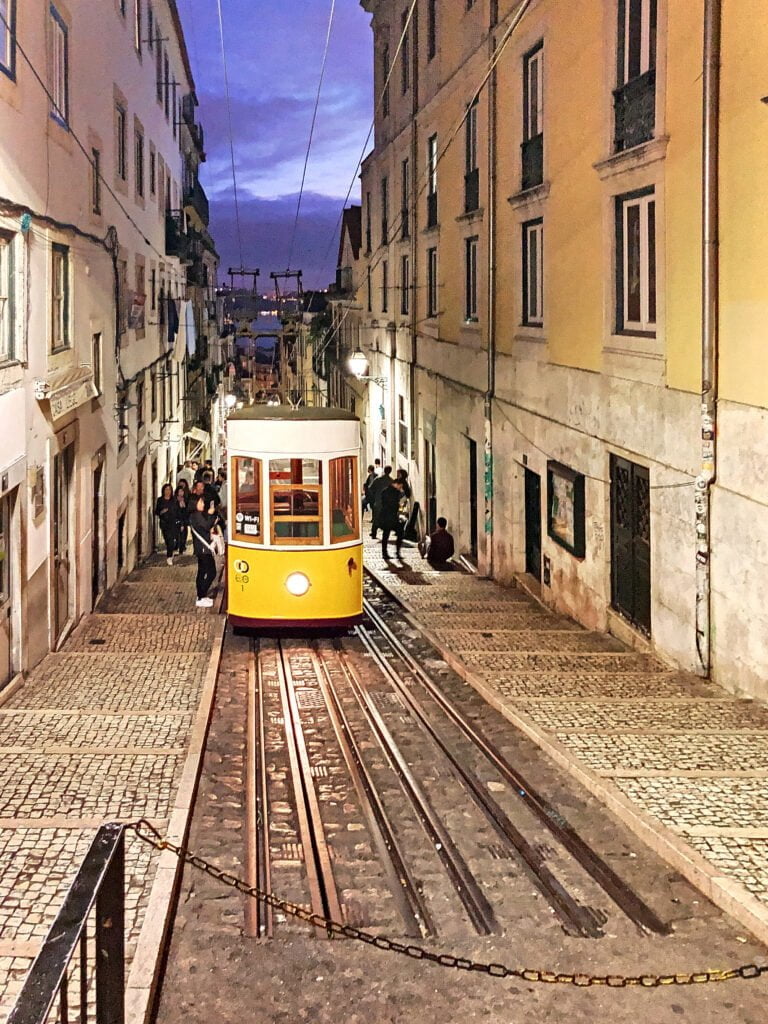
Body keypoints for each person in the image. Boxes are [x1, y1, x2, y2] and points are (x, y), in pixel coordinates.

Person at [189, 495, 219, 607]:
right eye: (200, 502)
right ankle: (201, 595)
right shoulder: (196, 516)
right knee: (211, 572)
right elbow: (206, 526)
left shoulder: (196, 515)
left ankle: (201, 596)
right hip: (203, 548)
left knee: (202, 572)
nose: (203, 504)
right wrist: (211, 515)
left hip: (201, 548)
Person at [380, 477, 406, 560]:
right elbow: (396, 504)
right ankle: (397, 552)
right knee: (399, 533)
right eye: (400, 486)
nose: (400, 488)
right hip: (392, 516)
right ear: (397, 484)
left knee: (385, 535)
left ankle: (385, 553)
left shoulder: (384, 491)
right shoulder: (396, 492)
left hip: (385, 516)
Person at [154, 484, 178, 565]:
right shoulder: (160, 500)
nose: (167, 491)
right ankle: (170, 552)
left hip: (172, 523)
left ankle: (169, 556)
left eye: (169, 490)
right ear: (163, 490)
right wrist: (162, 512)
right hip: (164, 523)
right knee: (167, 540)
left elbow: (177, 511)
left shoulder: (174, 500)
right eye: (166, 489)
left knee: (171, 540)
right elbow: (156, 512)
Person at [368, 466, 392, 539]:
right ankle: (385, 535)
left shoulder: (378, 480)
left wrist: (375, 495)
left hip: (378, 502)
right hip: (387, 504)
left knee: (376, 518)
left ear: (384, 471)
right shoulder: (391, 481)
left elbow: (370, 488)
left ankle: (374, 533)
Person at [174, 484, 190, 555]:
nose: (181, 493)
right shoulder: (175, 500)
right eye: (180, 491)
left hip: (184, 520)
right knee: (179, 535)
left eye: (182, 491)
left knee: (184, 535)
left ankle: (182, 548)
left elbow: (187, 511)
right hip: (177, 520)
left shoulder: (185, 500)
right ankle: (179, 548)